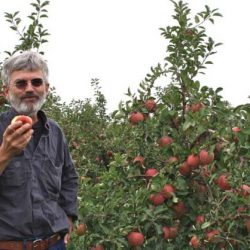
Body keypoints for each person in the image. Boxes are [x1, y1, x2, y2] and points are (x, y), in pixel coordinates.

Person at [0, 51, 78, 250]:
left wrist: (68, 216)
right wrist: (5, 153)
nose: (29, 89)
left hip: (53, 243)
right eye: (20, 83)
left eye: (36, 82)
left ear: (47, 89)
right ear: (6, 91)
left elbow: (69, 177)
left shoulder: (55, 133)